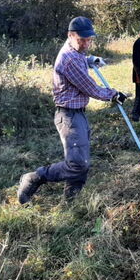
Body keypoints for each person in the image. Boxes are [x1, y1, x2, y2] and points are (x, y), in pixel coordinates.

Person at [16, 16, 127, 204]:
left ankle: (71, 203)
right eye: (82, 40)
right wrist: (114, 94)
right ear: (70, 35)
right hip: (68, 116)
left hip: (78, 114)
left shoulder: (75, 51)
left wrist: (91, 59)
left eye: (89, 39)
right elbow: (91, 88)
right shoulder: (69, 60)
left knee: (81, 160)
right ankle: (35, 178)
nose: (86, 43)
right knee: (78, 164)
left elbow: (81, 56)